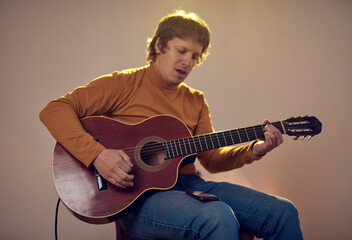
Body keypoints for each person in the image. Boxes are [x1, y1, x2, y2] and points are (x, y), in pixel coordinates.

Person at [40, 10, 303, 240]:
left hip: (191, 187)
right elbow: (54, 110)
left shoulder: (196, 100)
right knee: (217, 215)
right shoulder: (123, 84)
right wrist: (96, 155)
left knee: (283, 211)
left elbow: (211, 159)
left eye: (195, 56)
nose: (188, 62)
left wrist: (255, 149)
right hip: (139, 200)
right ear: (159, 46)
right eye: (181, 51)